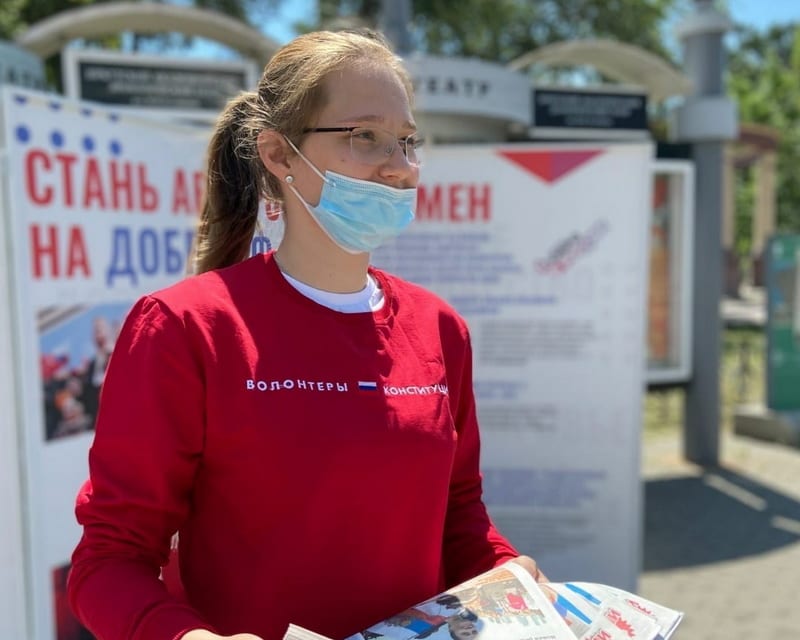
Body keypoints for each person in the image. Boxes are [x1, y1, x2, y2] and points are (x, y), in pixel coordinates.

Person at [67, 29, 545, 640]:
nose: (399, 166)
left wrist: (505, 571)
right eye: (365, 135)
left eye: (406, 141)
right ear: (279, 154)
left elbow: (459, 515)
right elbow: (109, 560)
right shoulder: (186, 327)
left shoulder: (438, 328)